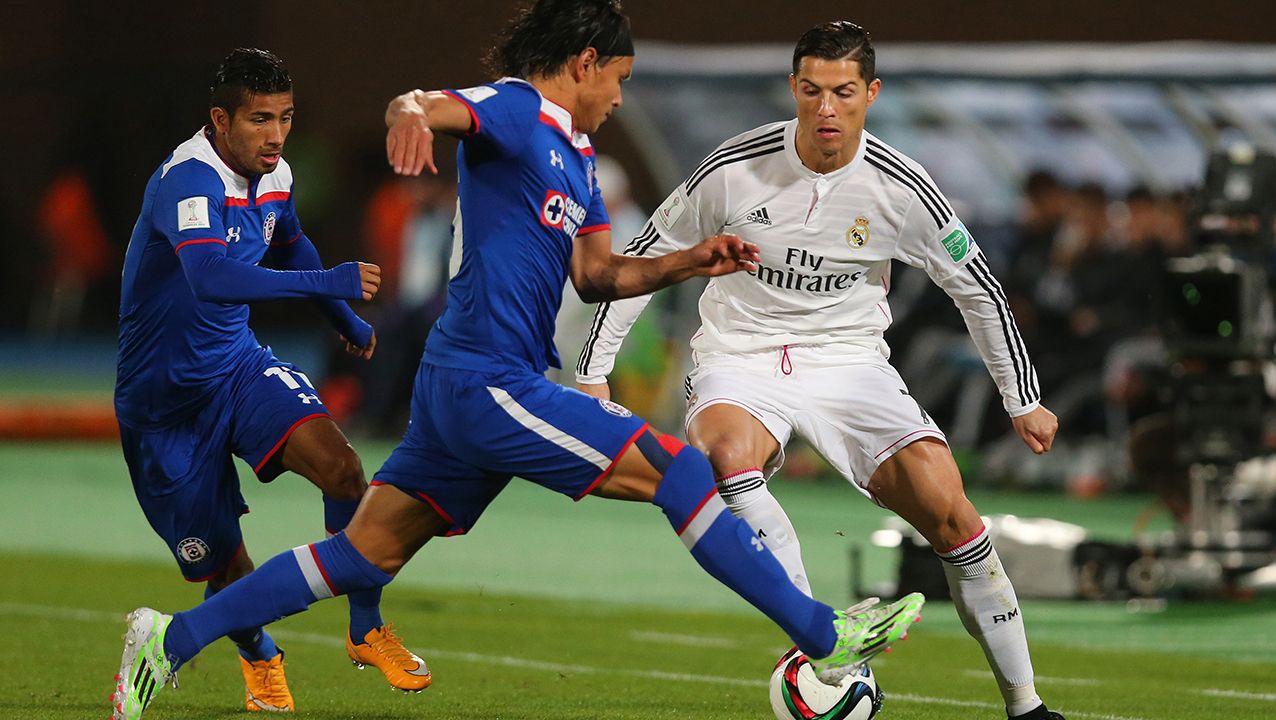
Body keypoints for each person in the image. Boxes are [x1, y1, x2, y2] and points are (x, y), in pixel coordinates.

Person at [108, 5, 924, 719]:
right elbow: (438, 105)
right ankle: (823, 631)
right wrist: (408, 109)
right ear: (584, 64)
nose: (619, 96)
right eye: (619, 79)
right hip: (490, 380)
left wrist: (692, 260)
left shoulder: (580, 164)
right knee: (679, 471)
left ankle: (170, 640)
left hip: (470, 385)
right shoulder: (518, 110)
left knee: (361, 555)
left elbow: (600, 274)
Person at [576, 21, 1064, 720]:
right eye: (812, 91)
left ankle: (1027, 705)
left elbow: (977, 288)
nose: (826, 108)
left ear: (871, 93)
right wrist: (594, 376)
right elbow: (639, 263)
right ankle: (822, 639)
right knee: (725, 458)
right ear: (793, 90)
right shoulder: (733, 168)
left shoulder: (903, 188)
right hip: (740, 358)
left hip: (849, 365)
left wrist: (1022, 399)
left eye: (842, 92)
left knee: (955, 517)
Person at [112, 48, 427, 715]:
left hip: (237, 366)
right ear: (220, 120)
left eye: (285, 117)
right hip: (163, 405)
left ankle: (365, 628)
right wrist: (329, 282)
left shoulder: (276, 174)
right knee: (224, 566)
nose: (276, 134)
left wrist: (342, 316)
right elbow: (213, 277)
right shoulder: (188, 180)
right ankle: (260, 661)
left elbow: (289, 242)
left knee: (344, 470)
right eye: (259, 119)